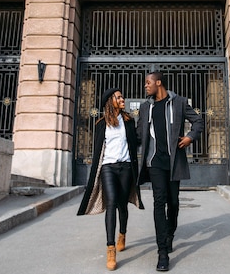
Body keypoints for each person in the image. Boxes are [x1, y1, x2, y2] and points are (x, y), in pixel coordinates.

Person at [137, 71, 204, 271]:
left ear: (159, 82)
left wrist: (190, 137)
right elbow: (139, 134)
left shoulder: (180, 102)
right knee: (159, 201)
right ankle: (162, 252)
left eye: (148, 83)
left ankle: (169, 234)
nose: (145, 86)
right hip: (154, 162)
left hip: (174, 161)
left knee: (173, 202)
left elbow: (198, 121)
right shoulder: (145, 107)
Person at [77, 87, 144, 271]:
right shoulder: (101, 124)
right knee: (112, 203)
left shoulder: (129, 121)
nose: (123, 99)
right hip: (108, 167)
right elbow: (98, 149)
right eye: (119, 97)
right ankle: (110, 248)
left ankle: (122, 233)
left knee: (122, 205)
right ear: (110, 101)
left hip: (126, 168)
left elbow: (137, 142)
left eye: (123, 96)